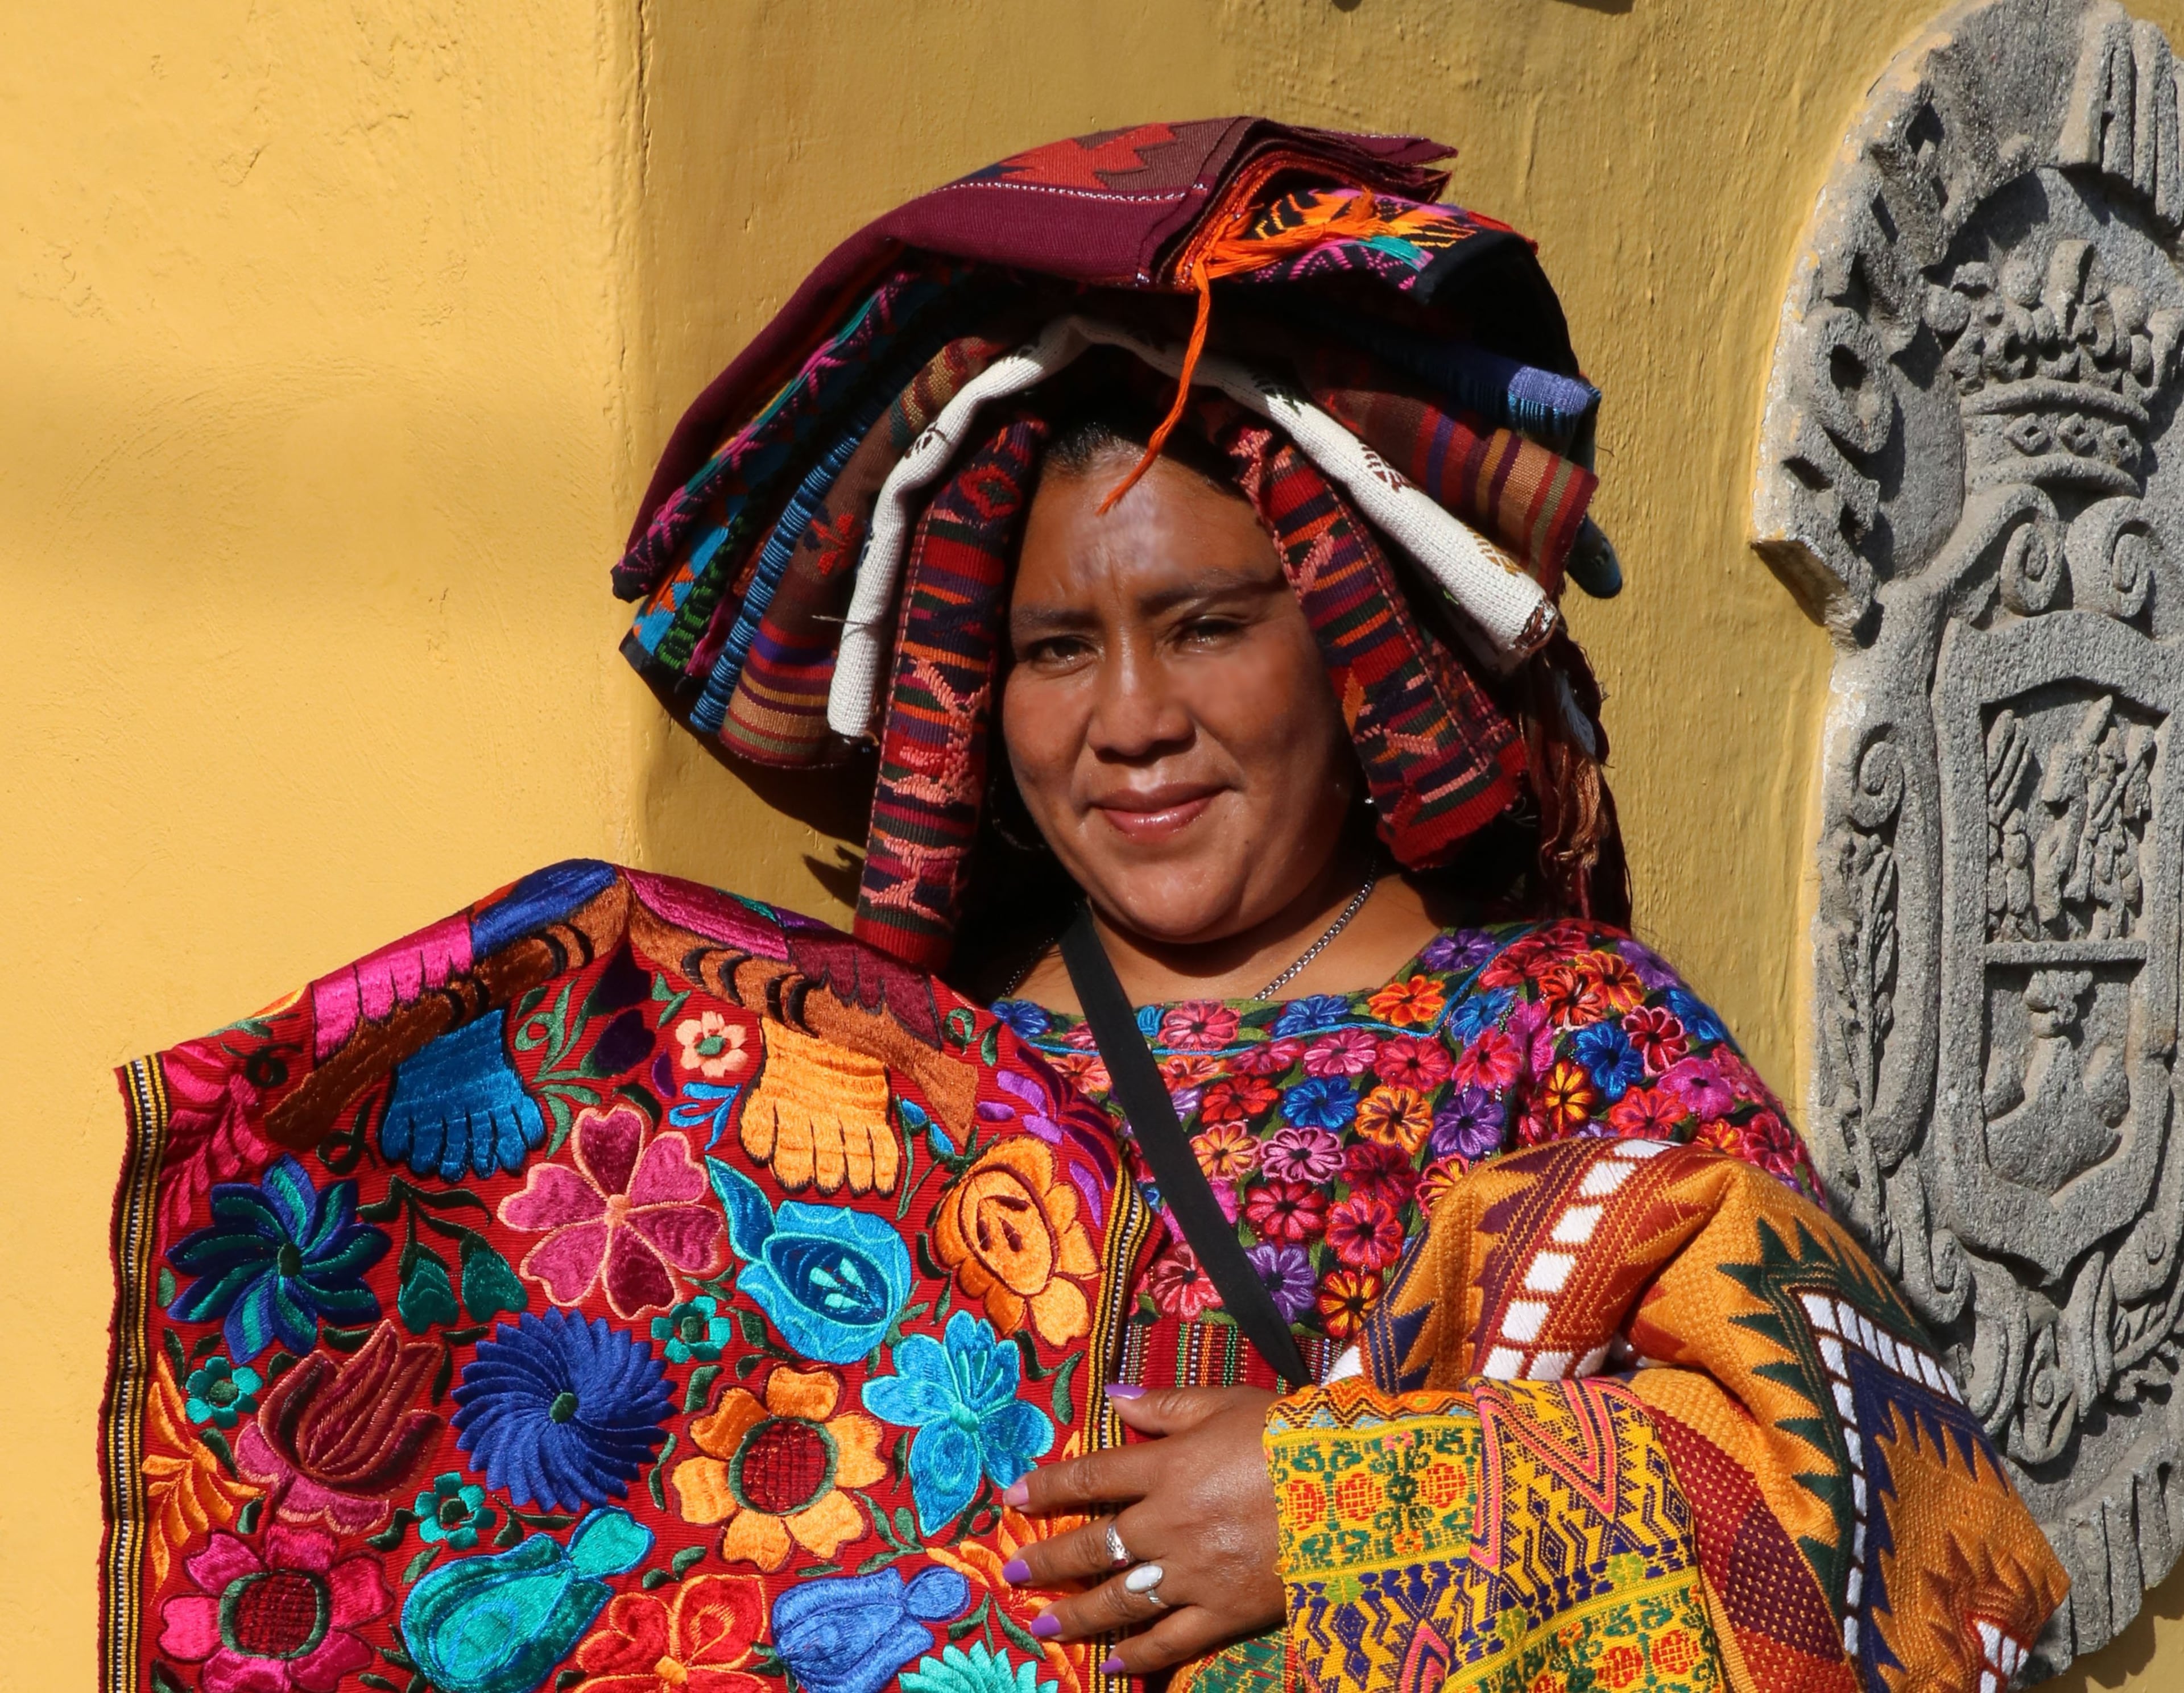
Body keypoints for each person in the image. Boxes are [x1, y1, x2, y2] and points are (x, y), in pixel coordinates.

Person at [111, 122, 2061, 1693]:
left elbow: (1925, 1539)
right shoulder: (861, 1087)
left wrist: (1342, 1513)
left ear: (1347, 647)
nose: (1131, 722)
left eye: (1206, 625)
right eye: (1056, 648)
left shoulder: (1567, 1042)